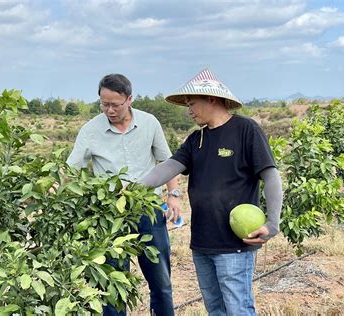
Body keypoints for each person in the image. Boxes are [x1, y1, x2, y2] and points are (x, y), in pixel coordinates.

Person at [140, 68, 283, 315]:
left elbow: (271, 176)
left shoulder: (245, 130)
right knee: (215, 309)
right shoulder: (196, 139)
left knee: (238, 308)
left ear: (212, 99)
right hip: (203, 242)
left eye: (192, 103)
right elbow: (168, 168)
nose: (189, 110)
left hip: (234, 243)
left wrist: (273, 223)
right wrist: (132, 188)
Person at [66, 73, 181, 316]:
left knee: (161, 281)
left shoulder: (149, 123)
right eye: (104, 104)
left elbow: (168, 162)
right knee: (112, 283)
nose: (109, 110)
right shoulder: (90, 131)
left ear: (129, 99)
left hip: (147, 210)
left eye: (115, 105)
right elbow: (70, 172)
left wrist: (174, 194)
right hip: (109, 215)